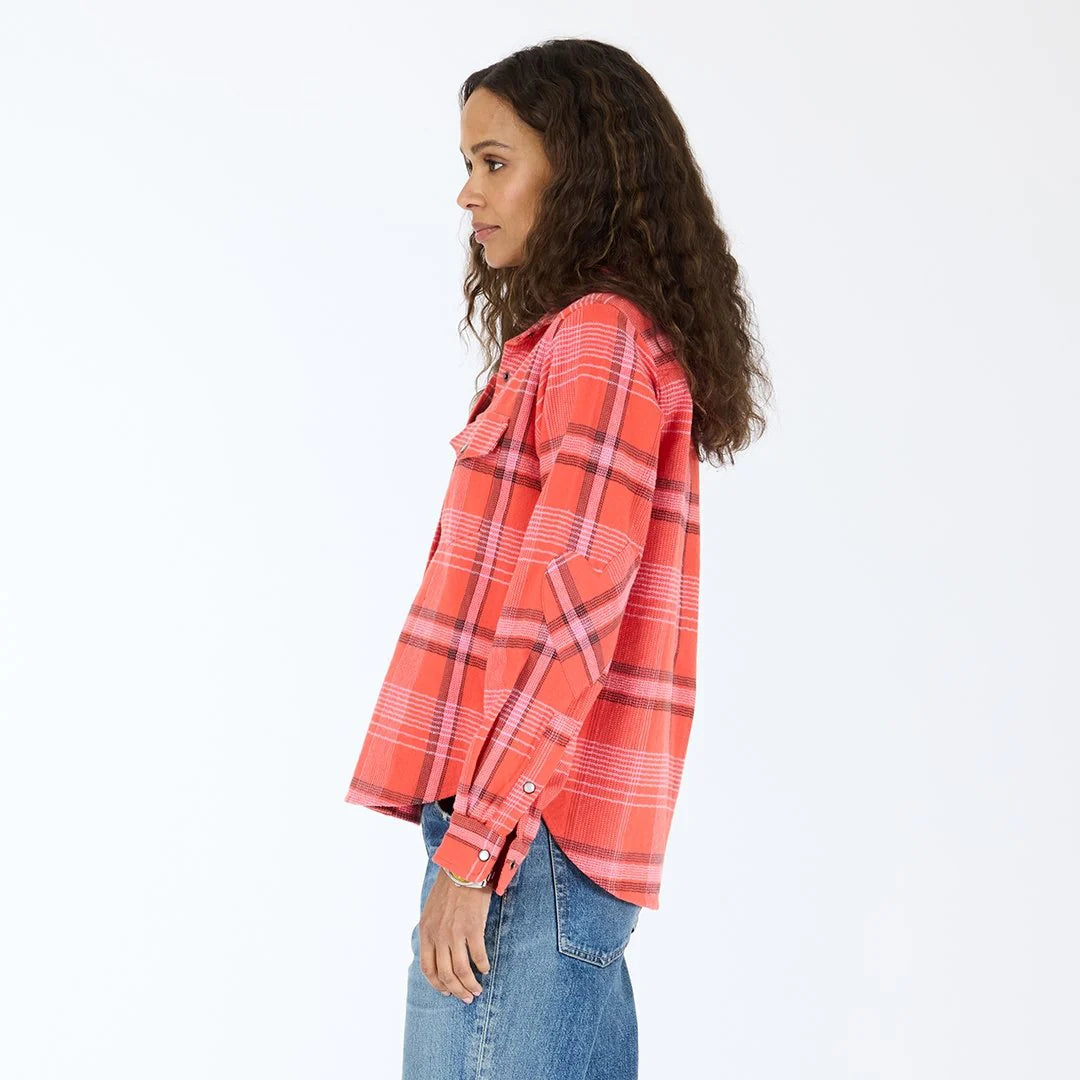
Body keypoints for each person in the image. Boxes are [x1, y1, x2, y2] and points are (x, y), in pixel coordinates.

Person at [343, 37, 772, 1080]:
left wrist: (473, 847)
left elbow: (568, 615)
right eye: (469, 162)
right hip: (530, 843)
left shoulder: (596, 342)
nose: (467, 192)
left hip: (524, 849)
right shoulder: (585, 343)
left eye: (495, 162)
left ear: (575, 171)